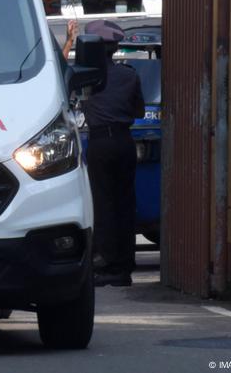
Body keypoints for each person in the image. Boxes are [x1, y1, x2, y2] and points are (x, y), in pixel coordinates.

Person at [79, 20, 145, 287]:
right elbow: (139, 111)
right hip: (124, 141)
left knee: (103, 204)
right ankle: (124, 266)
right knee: (125, 204)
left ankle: (105, 264)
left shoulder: (87, 77)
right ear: (116, 47)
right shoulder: (129, 75)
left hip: (100, 143)